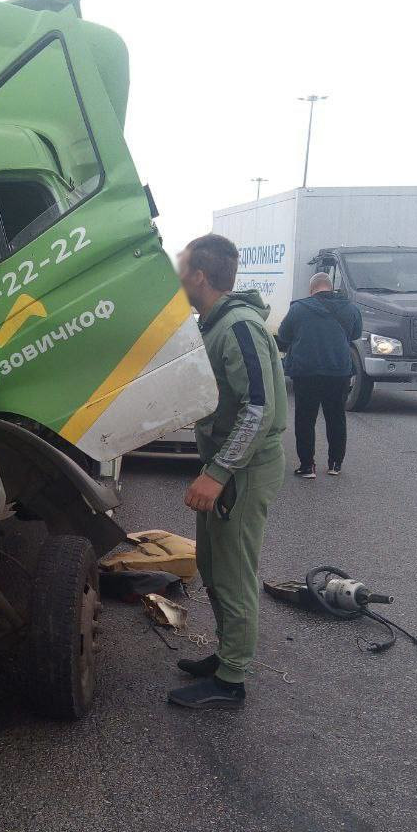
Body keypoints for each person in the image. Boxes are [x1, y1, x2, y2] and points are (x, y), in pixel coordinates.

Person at [167, 234, 286, 710]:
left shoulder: (238, 325)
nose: (176, 275)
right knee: (212, 566)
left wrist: (217, 473)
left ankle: (231, 679)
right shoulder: (214, 323)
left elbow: (259, 408)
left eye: (181, 267)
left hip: (243, 470)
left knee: (234, 572)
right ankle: (224, 655)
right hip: (227, 466)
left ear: (199, 275)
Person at [276, 272, 362, 478]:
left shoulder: (299, 308)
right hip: (339, 372)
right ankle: (335, 464)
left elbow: (283, 335)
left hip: (306, 372)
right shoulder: (351, 308)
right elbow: (356, 334)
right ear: (330, 288)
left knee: (305, 419)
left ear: (312, 289)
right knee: (336, 417)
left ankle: (307, 466)